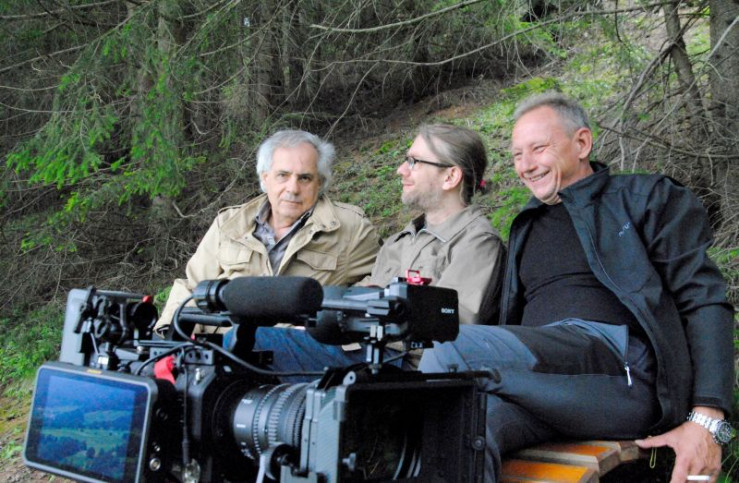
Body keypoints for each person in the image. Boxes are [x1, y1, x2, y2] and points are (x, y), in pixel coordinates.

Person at [419, 92, 735, 482]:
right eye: (517, 155)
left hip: (621, 375)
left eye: (538, 149)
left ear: (582, 143)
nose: (526, 165)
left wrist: (708, 419)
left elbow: (703, 300)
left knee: (446, 345)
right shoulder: (527, 227)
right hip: (542, 385)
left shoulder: (643, 198)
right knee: (460, 430)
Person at [251, 123, 506, 373]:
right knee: (246, 345)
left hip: (405, 367)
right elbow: (363, 295)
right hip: (364, 353)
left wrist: (353, 319)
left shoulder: (477, 243)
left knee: (252, 343)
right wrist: (320, 320)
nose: (400, 170)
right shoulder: (400, 240)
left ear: (450, 177)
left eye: (414, 162)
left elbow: (451, 330)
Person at [155, 129, 380, 333]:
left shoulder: (350, 228)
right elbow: (192, 287)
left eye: (305, 178)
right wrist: (170, 335)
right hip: (224, 349)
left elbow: (380, 284)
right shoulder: (229, 224)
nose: (293, 188)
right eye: (283, 175)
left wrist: (326, 322)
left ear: (319, 183)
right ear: (265, 177)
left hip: (300, 355)